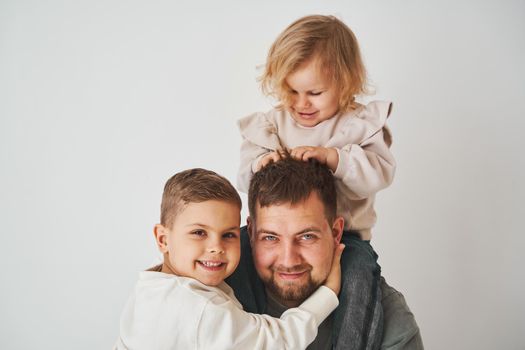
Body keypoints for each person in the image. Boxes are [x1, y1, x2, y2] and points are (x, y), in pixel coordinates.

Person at [237, 14, 396, 350]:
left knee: (359, 279)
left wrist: (335, 158)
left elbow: (380, 172)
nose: (301, 103)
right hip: (278, 230)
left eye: (314, 92)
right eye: (291, 91)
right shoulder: (275, 123)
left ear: (347, 82)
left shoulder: (357, 124)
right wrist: (260, 163)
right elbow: (244, 177)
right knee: (237, 252)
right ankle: (247, 334)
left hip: (348, 238)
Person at [114, 168, 345, 350]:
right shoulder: (199, 308)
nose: (216, 247)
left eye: (229, 235)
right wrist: (329, 292)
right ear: (163, 239)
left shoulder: (152, 287)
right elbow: (278, 341)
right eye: (199, 233)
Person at [227, 157, 423, 349]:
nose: (289, 260)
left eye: (307, 237)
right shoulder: (211, 298)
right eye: (270, 238)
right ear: (251, 233)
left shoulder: (388, 316)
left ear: (336, 233)